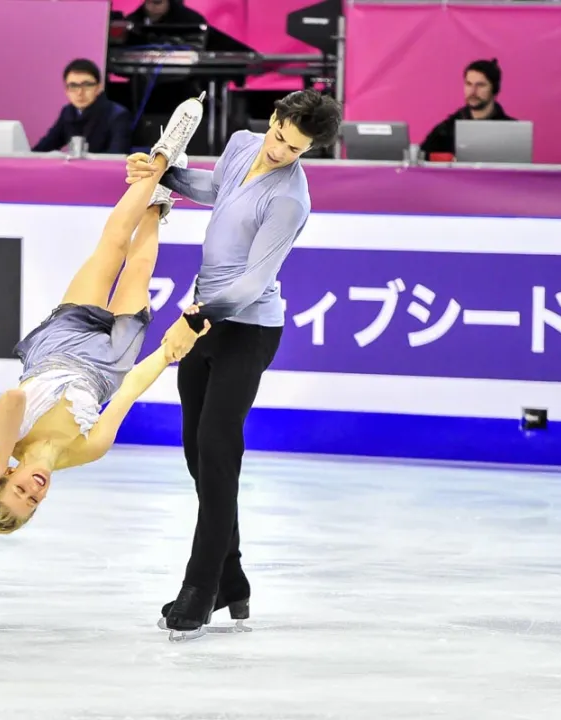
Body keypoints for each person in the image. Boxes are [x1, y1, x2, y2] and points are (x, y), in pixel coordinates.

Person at [0, 95, 206, 541]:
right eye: (33, 506)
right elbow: (126, 394)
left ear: (4, 478)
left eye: (18, 493)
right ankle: (158, 199)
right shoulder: (86, 452)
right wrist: (171, 351)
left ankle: (160, 159)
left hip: (58, 347)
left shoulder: (2, 438)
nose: (34, 494)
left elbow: (12, 398)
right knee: (139, 266)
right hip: (110, 365)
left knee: (111, 247)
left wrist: (1, 455)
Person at [125, 88, 343, 641]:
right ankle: (232, 579)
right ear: (271, 120)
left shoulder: (291, 199)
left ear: (309, 150)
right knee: (200, 456)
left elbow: (252, 283)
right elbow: (215, 190)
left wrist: (199, 316)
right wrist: (165, 173)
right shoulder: (244, 144)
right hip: (204, 320)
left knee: (219, 451)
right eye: (278, 136)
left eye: (293, 149)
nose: (279, 151)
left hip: (245, 329)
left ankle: (199, 591)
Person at [419, 58, 515, 160]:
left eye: (480, 85)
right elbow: (421, 156)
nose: (473, 91)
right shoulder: (447, 128)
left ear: (495, 89)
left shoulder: (511, 131)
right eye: (468, 84)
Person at [33, 58, 133, 155]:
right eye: (73, 86)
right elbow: (44, 148)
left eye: (87, 85)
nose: (80, 92)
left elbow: (118, 157)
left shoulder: (117, 115)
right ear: (66, 91)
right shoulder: (68, 112)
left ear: (99, 88)